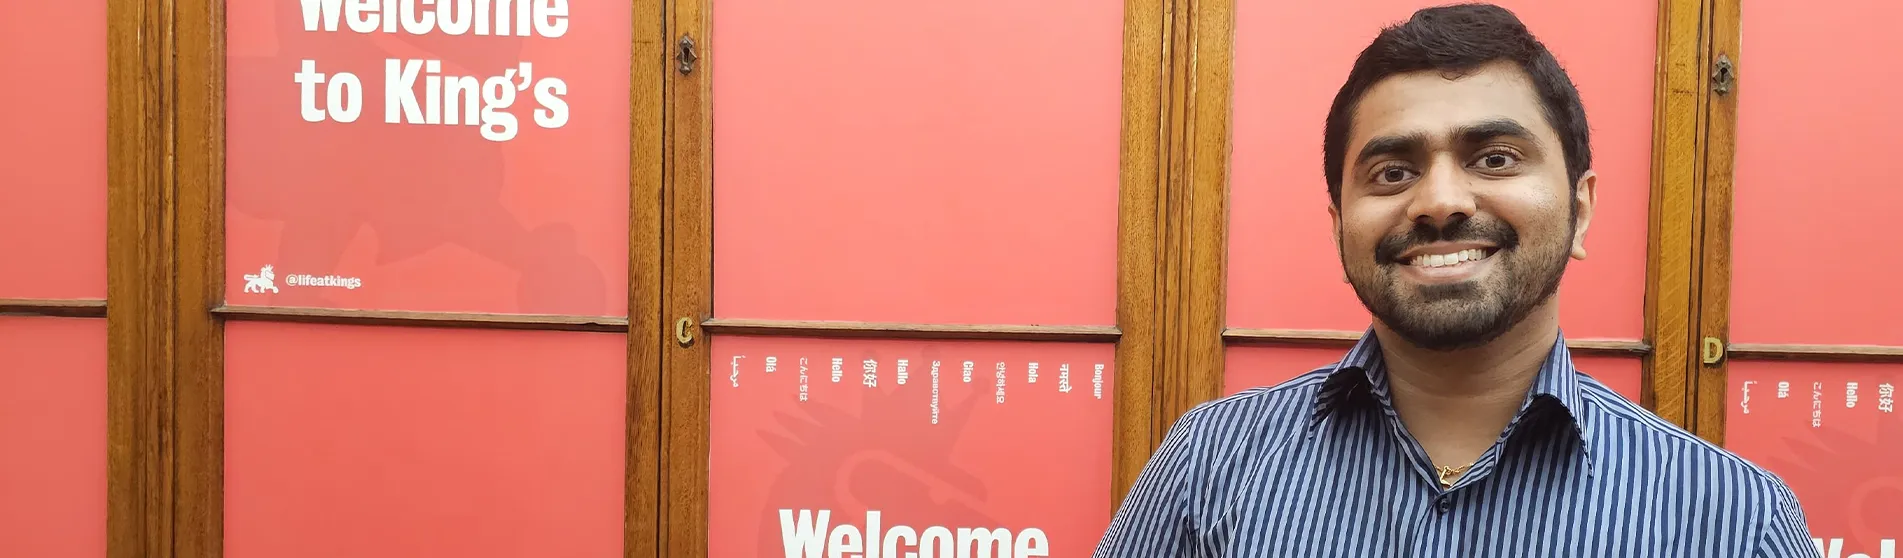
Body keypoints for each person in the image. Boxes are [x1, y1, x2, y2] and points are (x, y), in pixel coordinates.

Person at [1093, 4, 1819, 557]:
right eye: (1392, 172)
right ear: (1338, 222)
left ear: (1580, 208)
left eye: (1495, 158)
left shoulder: (1730, 518)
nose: (1439, 201)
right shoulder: (1210, 465)